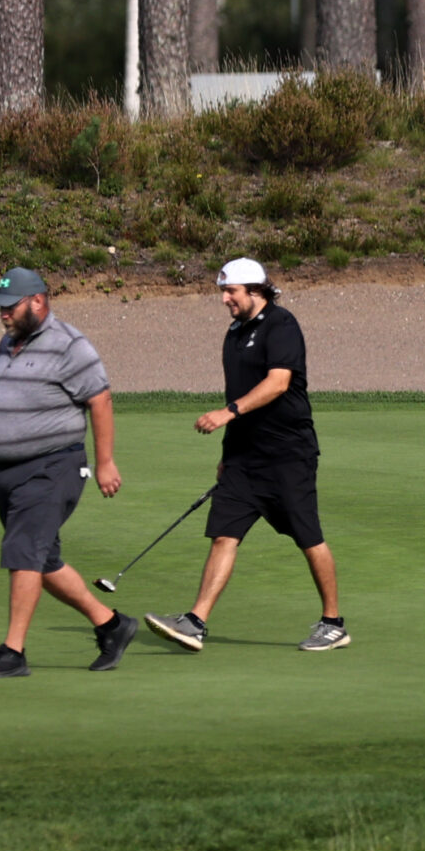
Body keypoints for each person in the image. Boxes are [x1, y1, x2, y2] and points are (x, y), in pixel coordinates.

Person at [145, 259, 348, 653]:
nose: (224, 299)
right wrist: (228, 452)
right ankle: (195, 622)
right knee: (224, 534)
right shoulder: (235, 333)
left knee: (308, 536)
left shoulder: (281, 325)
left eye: (230, 292)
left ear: (255, 290)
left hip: (287, 455)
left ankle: (333, 623)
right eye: (223, 292)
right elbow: (236, 391)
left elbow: (278, 382)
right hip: (243, 459)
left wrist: (228, 413)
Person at [0, 267, 137, 677]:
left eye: (10, 306)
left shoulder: (69, 344)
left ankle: (13, 652)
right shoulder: (8, 343)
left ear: (38, 301)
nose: (3, 313)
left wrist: (105, 462)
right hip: (7, 470)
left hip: (52, 466)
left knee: (24, 551)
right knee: (43, 561)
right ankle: (112, 625)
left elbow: (100, 399)